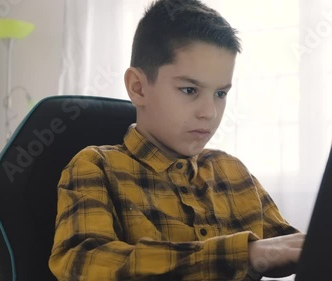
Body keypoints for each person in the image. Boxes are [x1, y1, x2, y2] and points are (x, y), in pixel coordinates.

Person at [49, 0, 305, 280]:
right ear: (138, 87)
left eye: (220, 94)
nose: (209, 112)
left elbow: (288, 246)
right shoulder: (95, 167)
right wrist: (244, 253)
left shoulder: (233, 172)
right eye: (189, 89)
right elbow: (83, 263)